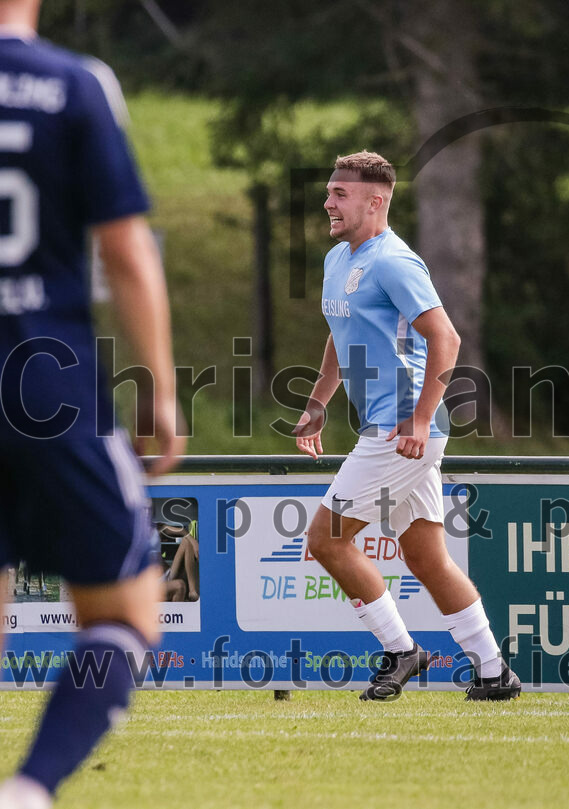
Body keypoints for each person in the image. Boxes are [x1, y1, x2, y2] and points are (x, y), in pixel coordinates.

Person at [0, 1, 184, 806]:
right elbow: (126, 250)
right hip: (47, 383)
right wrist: (159, 389)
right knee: (125, 610)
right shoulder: (74, 85)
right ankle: (29, 788)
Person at [294, 150, 520, 701]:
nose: (327, 203)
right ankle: (493, 673)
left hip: (399, 432)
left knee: (325, 540)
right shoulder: (338, 259)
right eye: (328, 192)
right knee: (426, 558)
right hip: (394, 428)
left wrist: (418, 421)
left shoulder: (395, 261)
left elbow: (447, 339)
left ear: (376, 201)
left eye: (339, 194)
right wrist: (318, 403)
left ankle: (402, 651)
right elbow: (339, 333)